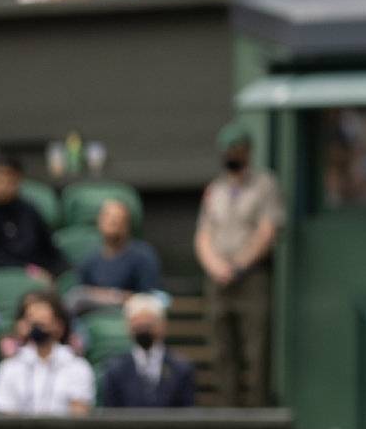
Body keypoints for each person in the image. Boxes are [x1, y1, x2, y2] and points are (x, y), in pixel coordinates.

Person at [195, 122, 283, 407]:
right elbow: (203, 236)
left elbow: (267, 231)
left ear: (247, 151)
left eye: (236, 148)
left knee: (255, 352)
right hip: (218, 280)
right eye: (227, 149)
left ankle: (256, 414)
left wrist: (240, 265)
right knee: (222, 350)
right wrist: (216, 267)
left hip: (251, 278)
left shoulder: (264, 185)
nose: (231, 153)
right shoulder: (214, 190)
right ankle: (227, 413)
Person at [0, 291, 94, 416]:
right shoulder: (10, 367)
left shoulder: (77, 366)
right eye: (33, 323)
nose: (38, 329)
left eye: (43, 323)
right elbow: (3, 414)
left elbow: (79, 416)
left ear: (59, 325)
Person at [0, 156, 68, 277]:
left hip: (34, 272)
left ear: (18, 181)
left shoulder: (29, 211)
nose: (3, 186)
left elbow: (50, 250)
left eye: (9, 180)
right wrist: (26, 269)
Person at [68, 199, 163, 315]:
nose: (113, 221)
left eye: (118, 218)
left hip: (131, 310)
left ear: (127, 224)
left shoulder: (143, 254)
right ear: (99, 222)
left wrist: (116, 296)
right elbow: (82, 291)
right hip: (93, 311)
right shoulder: (90, 258)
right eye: (108, 217)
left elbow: (149, 295)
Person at [101, 293, 196, 408]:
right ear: (128, 327)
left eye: (148, 325)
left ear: (162, 325)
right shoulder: (115, 369)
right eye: (138, 325)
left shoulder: (181, 368)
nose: (143, 330)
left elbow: (187, 413)